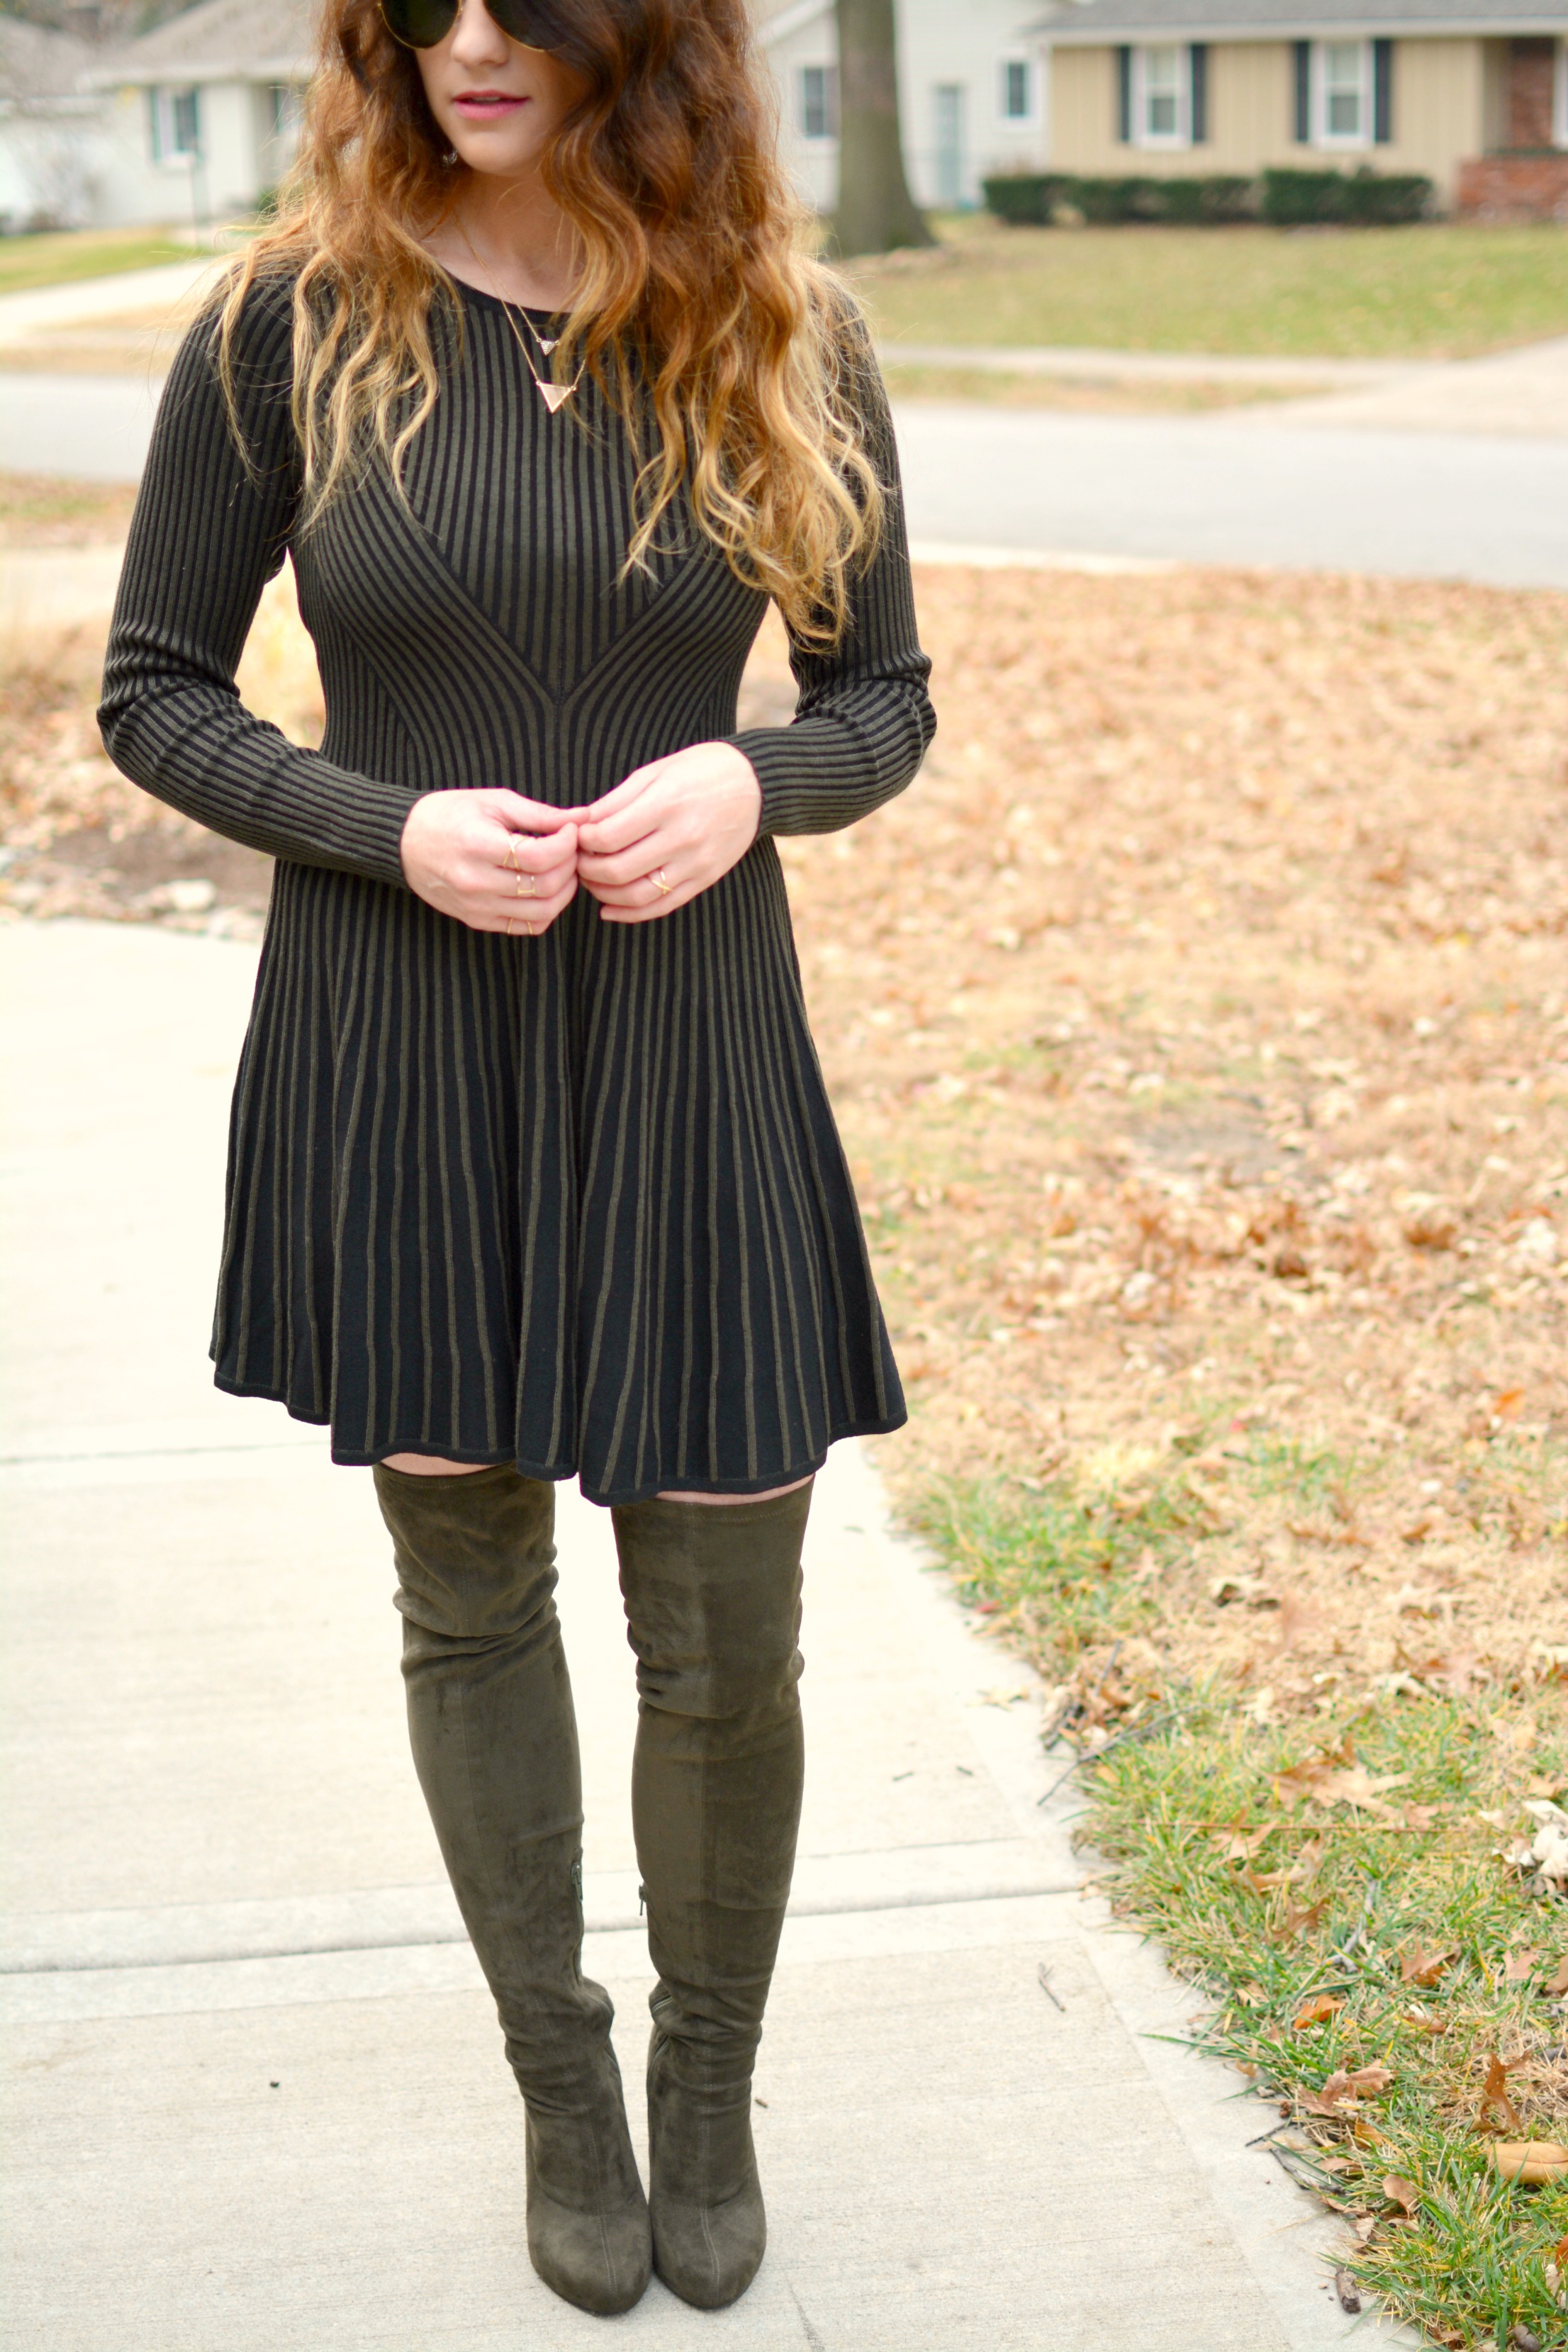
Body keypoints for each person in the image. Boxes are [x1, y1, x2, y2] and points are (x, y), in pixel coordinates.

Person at [99, 0, 932, 2319]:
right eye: (426, 1)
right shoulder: (291, 321)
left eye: (531, 1)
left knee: (724, 1633)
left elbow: (884, 696)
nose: (473, 39)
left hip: (692, 1046)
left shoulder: (783, 323)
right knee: (468, 1595)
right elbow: (153, 681)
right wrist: (381, 824)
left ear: (637, 38)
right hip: (406, 1035)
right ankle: (559, 2085)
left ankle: (706, 2087)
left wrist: (758, 779)